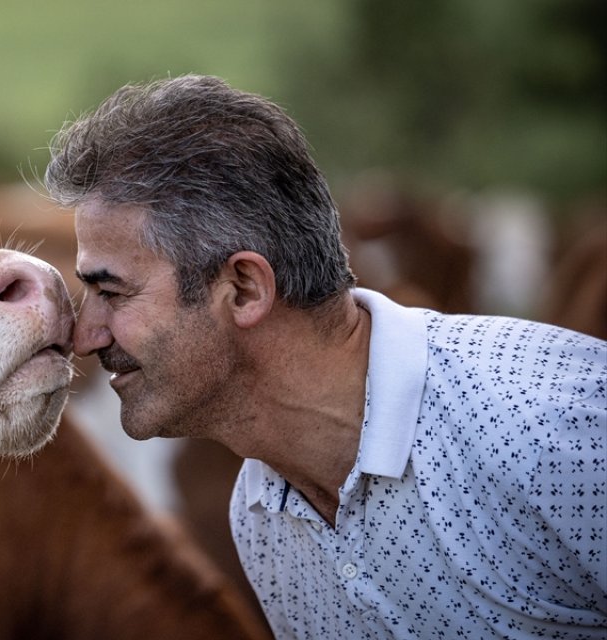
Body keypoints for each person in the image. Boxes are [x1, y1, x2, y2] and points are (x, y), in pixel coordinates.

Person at [44, 74, 606, 639]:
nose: (85, 335)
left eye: (111, 292)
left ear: (244, 289)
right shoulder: (261, 512)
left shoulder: (552, 427)